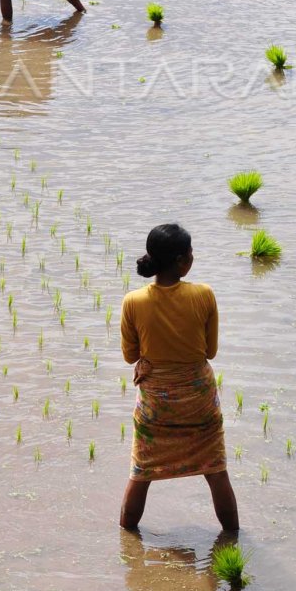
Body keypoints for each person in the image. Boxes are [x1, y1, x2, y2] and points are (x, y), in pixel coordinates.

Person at [119, 223, 239, 532]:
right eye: (190, 253)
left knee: (141, 472)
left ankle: (127, 548)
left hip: (155, 403)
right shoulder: (204, 295)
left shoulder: (133, 301)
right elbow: (209, 352)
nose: (193, 257)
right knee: (215, 470)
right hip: (198, 402)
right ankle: (233, 541)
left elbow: (131, 356)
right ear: (181, 261)